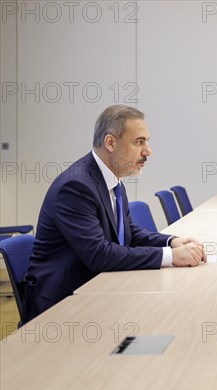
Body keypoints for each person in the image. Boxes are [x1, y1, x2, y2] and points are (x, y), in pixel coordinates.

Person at [21, 105, 206, 324]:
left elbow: (129, 234)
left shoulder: (111, 180)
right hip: (62, 305)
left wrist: (172, 241)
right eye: (139, 142)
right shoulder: (75, 186)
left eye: (147, 141)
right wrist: (171, 257)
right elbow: (100, 255)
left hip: (98, 288)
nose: (148, 151)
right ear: (110, 143)